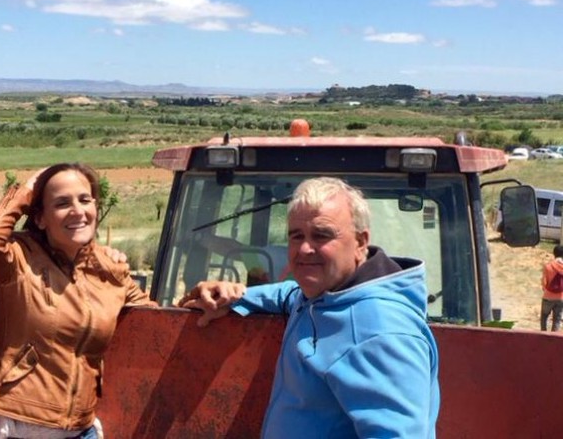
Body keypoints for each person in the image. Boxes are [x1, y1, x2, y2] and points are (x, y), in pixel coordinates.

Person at [180, 177, 440, 438]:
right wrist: (236, 296)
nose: (305, 248)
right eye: (296, 236)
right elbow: (289, 294)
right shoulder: (325, 297)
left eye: (321, 235)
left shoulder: (382, 332)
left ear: (360, 243)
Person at [0, 163, 154, 439]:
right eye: (62, 203)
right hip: (21, 427)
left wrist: (203, 297)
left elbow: (156, 316)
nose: (78, 211)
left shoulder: (111, 269)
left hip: (81, 428)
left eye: (85, 199)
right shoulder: (19, 260)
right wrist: (26, 191)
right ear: (41, 218)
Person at [539, 244, 563, 331]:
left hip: (548, 296)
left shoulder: (548, 266)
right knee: (557, 319)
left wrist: (546, 290)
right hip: (561, 297)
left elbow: (544, 283)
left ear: (554, 254)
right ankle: (554, 338)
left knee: (544, 317)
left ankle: (543, 335)